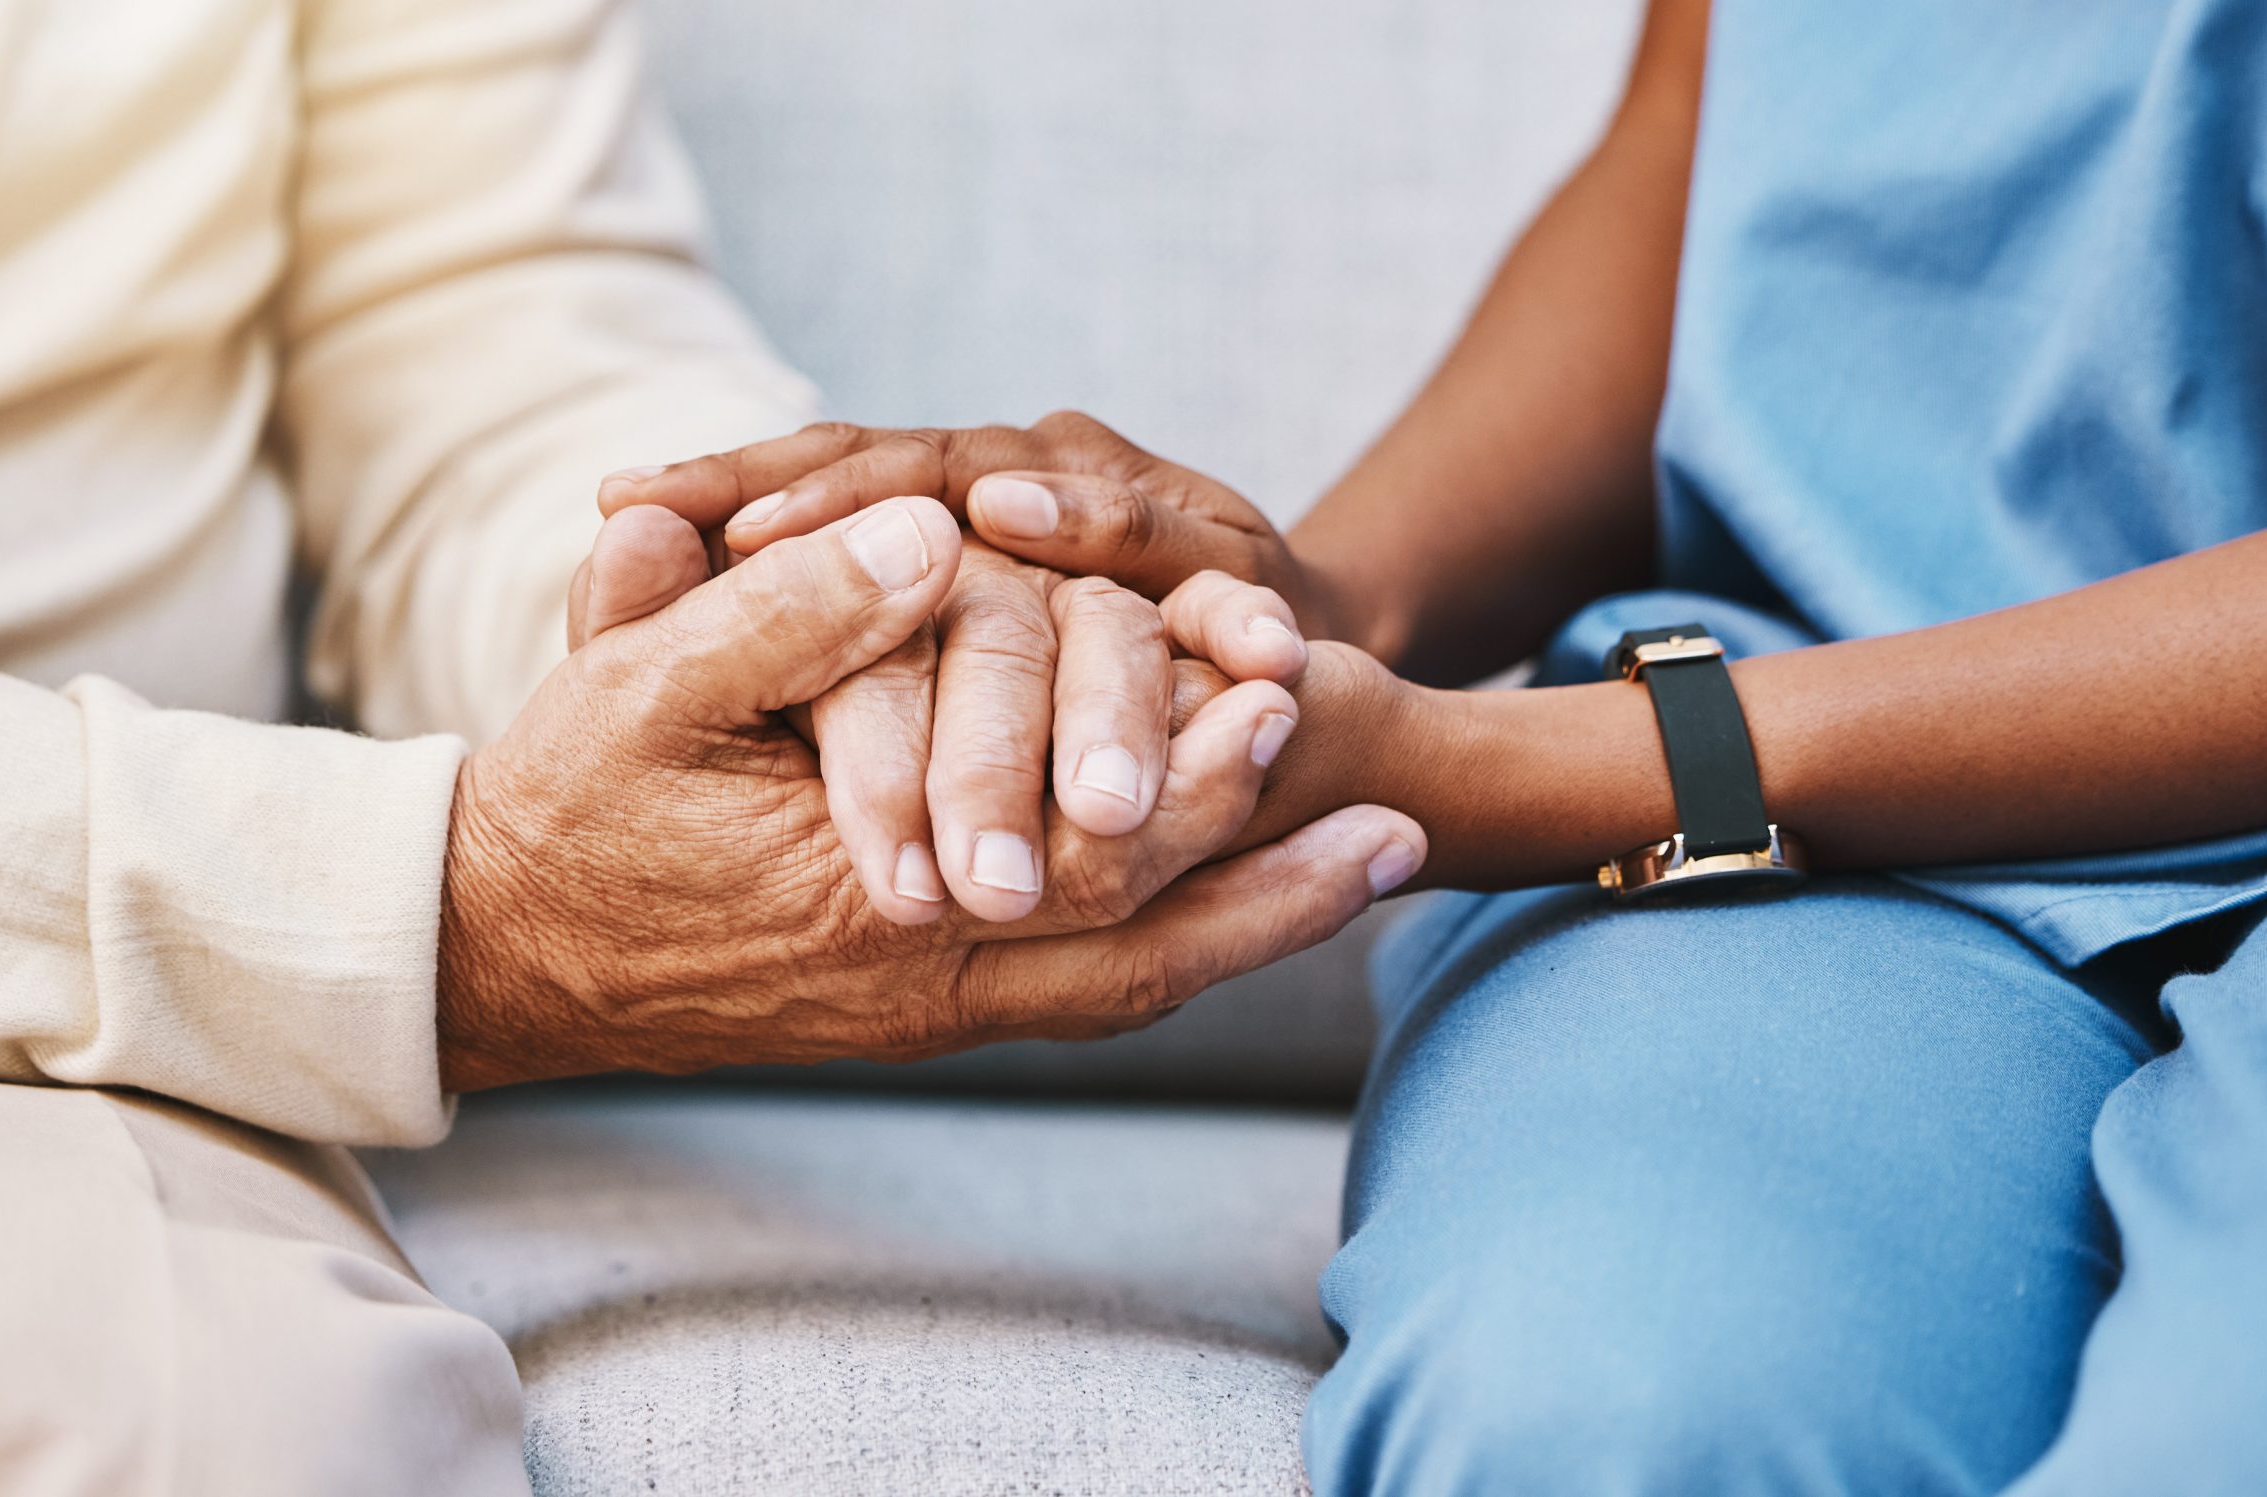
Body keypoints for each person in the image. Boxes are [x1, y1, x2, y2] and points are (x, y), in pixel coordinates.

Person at [0, 1, 1424, 1490]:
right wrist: (419, 911)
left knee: (188, 1428)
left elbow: (479, 332)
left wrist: (793, 624)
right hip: (21, 916)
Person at [609, 0, 2267, 1489]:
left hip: (1722, 766)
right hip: (1834, 850)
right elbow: (1712, 131)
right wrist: (1306, 603)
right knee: (1604, 1408)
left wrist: (1539, 768)